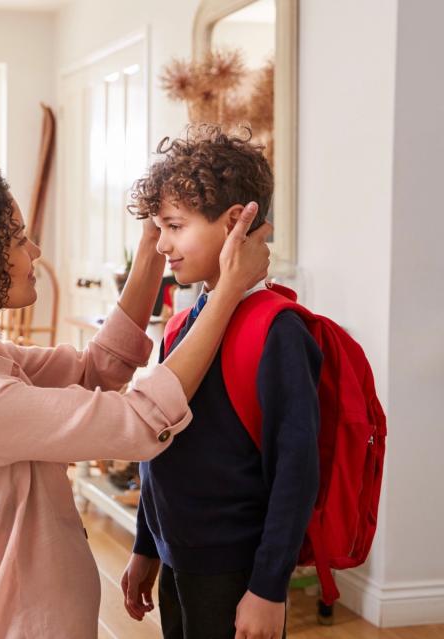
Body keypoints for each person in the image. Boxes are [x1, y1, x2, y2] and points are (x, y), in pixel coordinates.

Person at [0, 156, 271, 638]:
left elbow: (96, 370)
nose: (35, 249)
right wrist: (228, 291)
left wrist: (153, 249)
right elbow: (139, 422)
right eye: (16, 239)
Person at [122, 126, 321, 639]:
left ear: (236, 223)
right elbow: (158, 443)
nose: (162, 243)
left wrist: (269, 586)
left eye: (174, 225)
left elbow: (295, 469)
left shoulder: (277, 331)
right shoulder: (182, 328)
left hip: (237, 570)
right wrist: (147, 543)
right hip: (177, 555)